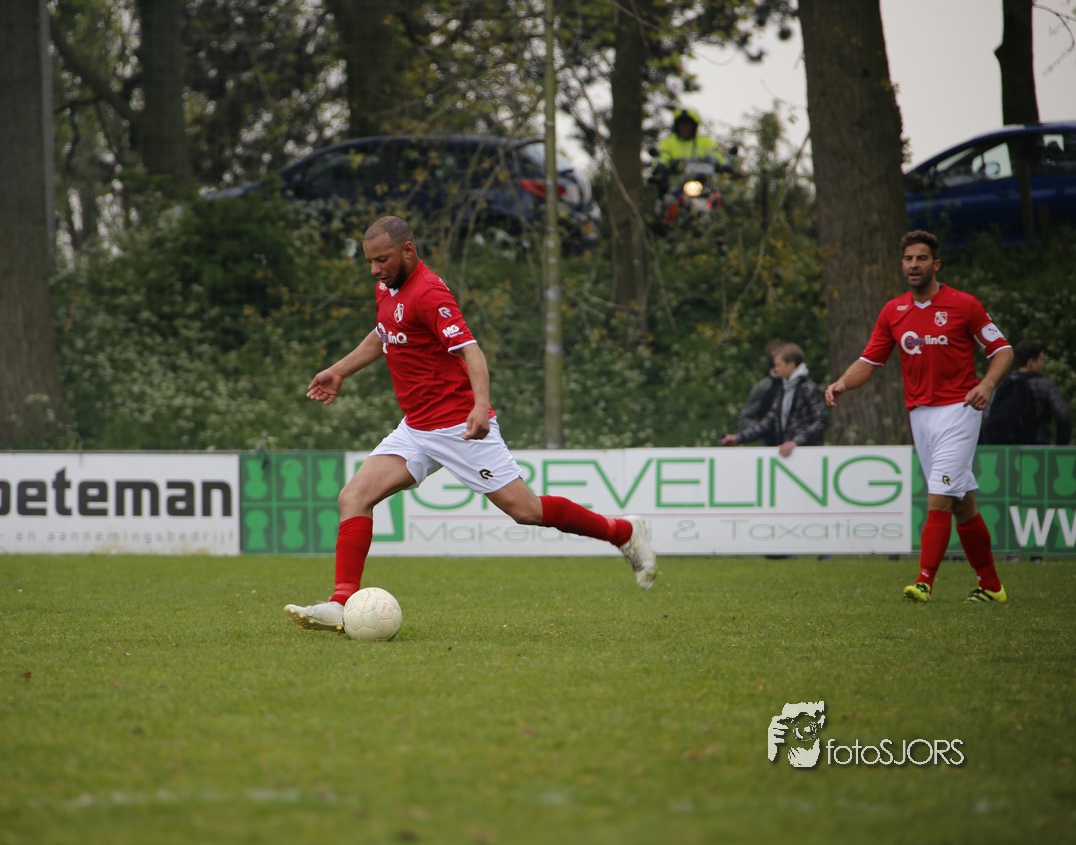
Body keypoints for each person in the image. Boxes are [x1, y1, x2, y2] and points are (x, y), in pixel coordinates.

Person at [284, 216, 658, 632]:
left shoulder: (429, 293)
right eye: (370, 261)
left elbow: (471, 351)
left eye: (382, 259)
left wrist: (480, 407)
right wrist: (338, 371)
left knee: (526, 511)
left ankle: (624, 532)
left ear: (408, 250)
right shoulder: (387, 288)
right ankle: (340, 603)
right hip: (416, 429)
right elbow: (384, 333)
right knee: (353, 497)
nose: (375, 269)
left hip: (458, 425)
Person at [825, 230, 1014, 604]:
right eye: (908, 259)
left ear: (936, 264)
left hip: (960, 410)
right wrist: (843, 383)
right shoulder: (893, 311)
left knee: (939, 497)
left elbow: (1003, 350)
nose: (914, 265)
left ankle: (924, 581)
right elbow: (869, 360)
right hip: (920, 416)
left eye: (922, 258)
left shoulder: (964, 305)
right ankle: (992, 586)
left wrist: (987, 385)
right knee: (962, 503)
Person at [720, 342, 829, 457]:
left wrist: (796, 442)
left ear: (791, 364)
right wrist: (739, 438)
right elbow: (767, 422)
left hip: (808, 455)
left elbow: (822, 420)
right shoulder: (783, 389)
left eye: (778, 365)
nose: (776, 369)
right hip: (786, 454)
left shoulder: (808, 388)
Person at [982, 340, 1071, 445]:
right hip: (1037, 446)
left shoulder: (1003, 384)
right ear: (1031, 363)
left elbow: (986, 415)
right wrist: (1061, 444)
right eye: (1040, 359)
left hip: (1005, 448)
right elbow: (1062, 414)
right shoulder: (1044, 385)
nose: (1042, 364)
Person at [652, 108, 727, 189]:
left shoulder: (706, 141)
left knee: (716, 194)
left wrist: (725, 164)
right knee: (667, 195)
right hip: (676, 185)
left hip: (704, 183)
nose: (685, 128)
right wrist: (660, 165)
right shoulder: (668, 142)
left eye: (688, 125)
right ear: (677, 126)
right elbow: (662, 156)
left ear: (694, 126)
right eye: (682, 125)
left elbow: (716, 155)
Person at [736, 340, 785, 446]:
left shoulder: (799, 385)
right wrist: (762, 430)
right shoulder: (763, 387)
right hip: (771, 447)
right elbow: (744, 418)